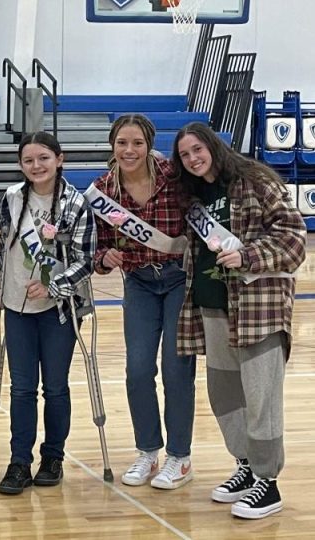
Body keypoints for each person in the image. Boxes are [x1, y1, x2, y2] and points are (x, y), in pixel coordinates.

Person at [174, 122, 306, 520]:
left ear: (213, 146)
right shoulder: (195, 197)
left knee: (261, 396)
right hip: (213, 308)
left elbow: (294, 237)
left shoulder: (256, 180)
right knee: (226, 395)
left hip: (258, 309)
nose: (193, 159)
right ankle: (247, 466)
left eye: (198, 149)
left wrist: (248, 255)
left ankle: (269, 482)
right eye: (185, 155)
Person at [89, 114, 196, 490]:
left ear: (149, 144)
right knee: (137, 370)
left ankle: (179, 457)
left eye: (137, 143)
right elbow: (96, 247)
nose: (129, 150)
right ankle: (148, 451)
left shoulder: (176, 177)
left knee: (175, 369)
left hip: (179, 280)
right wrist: (104, 258)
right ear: (112, 145)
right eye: (122, 143)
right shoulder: (103, 190)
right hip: (138, 284)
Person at [0, 132, 95, 495]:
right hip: (16, 307)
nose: (36, 166)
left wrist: (53, 286)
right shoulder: (11, 198)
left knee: (55, 388)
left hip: (59, 310)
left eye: (43, 158)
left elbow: (86, 261)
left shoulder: (75, 203)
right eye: (28, 160)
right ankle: (19, 461)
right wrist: (0, 285)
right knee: (21, 389)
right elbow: (2, 248)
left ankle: (52, 456)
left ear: (59, 159)